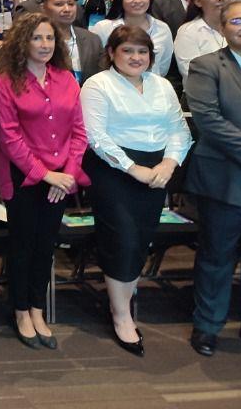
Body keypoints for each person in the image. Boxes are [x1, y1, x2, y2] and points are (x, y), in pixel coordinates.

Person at [80, 25, 191, 357]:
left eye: (142, 51)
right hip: (113, 171)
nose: (135, 57)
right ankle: (121, 315)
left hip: (156, 170)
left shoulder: (162, 85)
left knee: (140, 240)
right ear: (112, 53)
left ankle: (120, 301)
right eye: (127, 50)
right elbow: (96, 137)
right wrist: (133, 169)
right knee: (122, 240)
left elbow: (179, 129)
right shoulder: (97, 84)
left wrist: (170, 164)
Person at [0, 13, 87, 350]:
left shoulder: (66, 79)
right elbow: (8, 136)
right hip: (24, 176)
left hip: (61, 177)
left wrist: (68, 175)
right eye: (37, 38)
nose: (45, 45)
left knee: (46, 246)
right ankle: (20, 310)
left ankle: (37, 307)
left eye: (49, 38)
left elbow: (79, 132)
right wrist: (47, 175)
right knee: (23, 245)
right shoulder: (5, 80)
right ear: (22, 42)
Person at [185, 0, 241, 357]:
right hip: (225, 179)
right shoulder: (206, 66)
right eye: (238, 21)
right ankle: (207, 327)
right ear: (223, 27)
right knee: (216, 257)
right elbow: (209, 120)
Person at [89, 0, 174, 77]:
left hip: (152, 87)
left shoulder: (162, 28)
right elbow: (96, 64)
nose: (137, 0)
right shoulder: (103, 28)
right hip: (112, 87)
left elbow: (163, 67)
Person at [41, 0, 105, 83]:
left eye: (71, 4)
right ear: (43, 8)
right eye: (59, 4)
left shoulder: (92, 39)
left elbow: (102, 76)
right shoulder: (36, 42)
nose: (67, 9)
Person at [173, 0, 230, 79]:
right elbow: (193, 72)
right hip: (203, 92)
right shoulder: (188, 31)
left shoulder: (236, 27)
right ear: (198, 1)